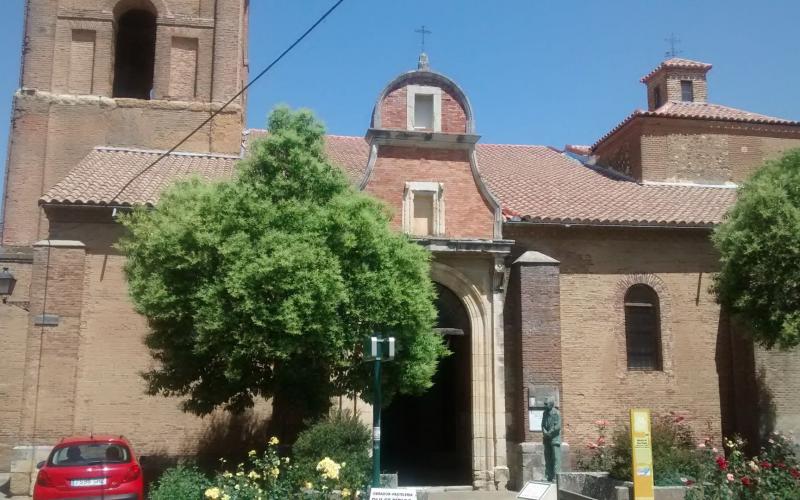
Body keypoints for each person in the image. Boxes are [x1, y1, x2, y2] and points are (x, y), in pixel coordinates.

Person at [541, 397, 561, 482]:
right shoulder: (545, 413)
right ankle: (548, 475)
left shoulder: (556, 413)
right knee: (547, 458)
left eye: (547, 404)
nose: (545, 406)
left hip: (554, 439)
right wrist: (544, 431)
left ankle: (556, 477)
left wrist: (550, 432)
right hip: (547, 439)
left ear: (551, 404)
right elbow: (542, 424)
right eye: (545, 404)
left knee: (556, 458)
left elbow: (558, 426)